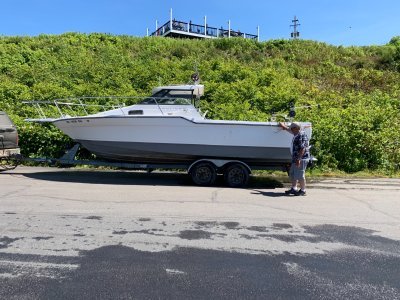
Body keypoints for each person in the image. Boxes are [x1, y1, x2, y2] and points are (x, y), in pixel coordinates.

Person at [279, 121, 310, 196]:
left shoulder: (301, 135)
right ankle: (294, 188)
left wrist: (299, 159)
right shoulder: (296, 133)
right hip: (295, 158)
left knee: (300, 175)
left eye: (292, 128)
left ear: (296, 128)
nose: (291, 130)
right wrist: (284, 127)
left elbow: (303, 148)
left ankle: (303, 190)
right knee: (292, 174)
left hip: (301, 158)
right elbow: (290, 131)